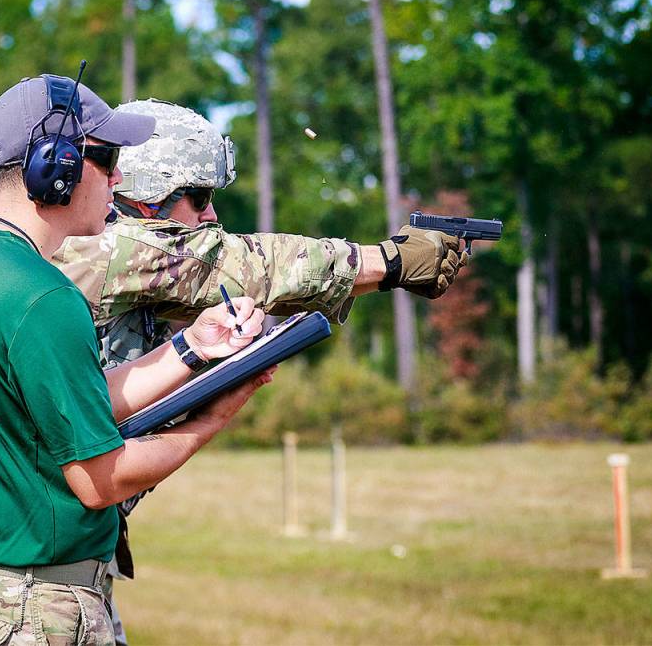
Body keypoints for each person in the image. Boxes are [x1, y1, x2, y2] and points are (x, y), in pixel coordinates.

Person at [52, 98, 468, 643]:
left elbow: (256, 288)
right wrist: (388, 262)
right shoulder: (110, 248)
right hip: (43, 573)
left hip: (74, 559)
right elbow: (251, 267)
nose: (210, 217)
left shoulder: (115, 262)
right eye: (197, 198)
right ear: (142, 197)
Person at [0, 73, 274, 646]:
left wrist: (193, 348)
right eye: (107, 159)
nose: (119, 178)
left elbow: (68, 403)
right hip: (24, 610)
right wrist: (213, 417)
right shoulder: (44, 298)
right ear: (57, 166)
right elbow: (101, 480)